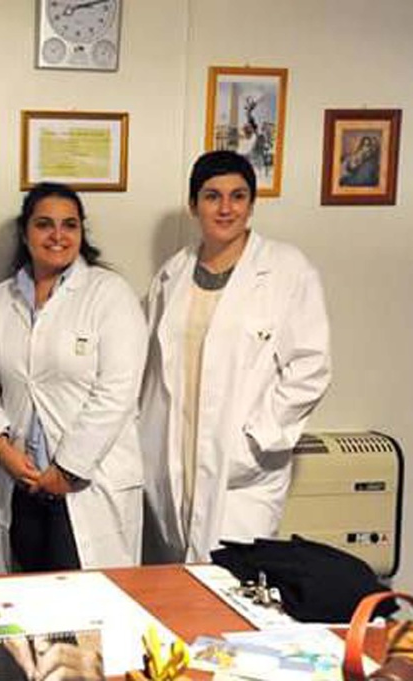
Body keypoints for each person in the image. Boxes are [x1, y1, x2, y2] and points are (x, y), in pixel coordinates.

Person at [139, 150, 331, 564]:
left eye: (238, 196)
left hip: (240, 463)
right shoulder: (172, 275)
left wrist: (258, 437)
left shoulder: (287, 270)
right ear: (194, 205)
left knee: (234, 580)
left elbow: (311, 367)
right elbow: (152, 372)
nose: (226, 208)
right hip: (177, 455)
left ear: (251, 204)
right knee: (176, 580)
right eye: (212, 196)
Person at [0, 183, 147, 574]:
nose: (58, 235)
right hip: (21, 483)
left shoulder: (110, 294)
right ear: (25, 233)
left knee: (91, 600)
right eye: (44, 224)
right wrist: (1, 447)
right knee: (25, 598)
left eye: (69, 225)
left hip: (87, 482)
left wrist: (68, 469)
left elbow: (118, 391)